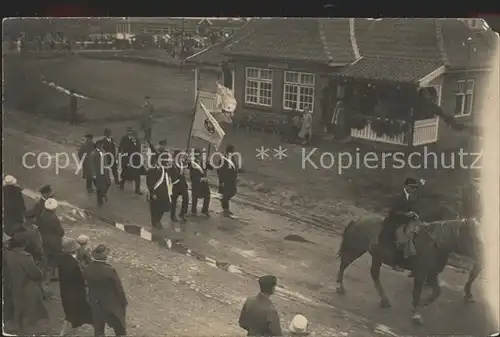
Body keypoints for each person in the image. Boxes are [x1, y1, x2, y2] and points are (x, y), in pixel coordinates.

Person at [6, 233, 49, 334]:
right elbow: (35, 273)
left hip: (14, 284)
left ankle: (18, 328)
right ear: (24, 244)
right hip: (27, 285)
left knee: (18, 308)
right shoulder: (25, 256)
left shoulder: (9, 254)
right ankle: (29, 331)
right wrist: (41, 270)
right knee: (31, 310)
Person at [83, 244, 128, 337]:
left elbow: (86, 284)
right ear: (105, 257)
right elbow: (118, 287)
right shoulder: (109, 270)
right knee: (118, 325)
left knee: (98, 326)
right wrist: (123, 301)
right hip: (109, 302)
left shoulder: (87, 269)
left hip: (94, 300)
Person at [381, 177, 421, 271]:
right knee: (403, 239)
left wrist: (415, 214)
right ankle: (396, 263)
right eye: (412, 187)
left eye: (415, 188)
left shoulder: (412, 197)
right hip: (395, 222)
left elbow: (415, 209)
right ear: (406, 186)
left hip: (407, 222)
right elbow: (392, 211)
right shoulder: (398, 196)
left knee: (418, 235)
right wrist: (406, 215)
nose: (413, 189)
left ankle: (412, 261)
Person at [58, 237, 93, 336]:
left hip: (65, 290)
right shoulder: (73, 263)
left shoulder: (61, 259)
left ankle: (66, 333)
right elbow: (81, 278)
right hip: (76, 291)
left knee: (70, 313)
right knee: (77, 312)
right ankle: (70, 333)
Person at [37, 198, 65, 282]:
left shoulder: (41, 215)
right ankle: (50, 278)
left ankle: (44, 277)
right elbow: (60, 231)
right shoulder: (54, 218)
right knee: (54, 260)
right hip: (54, 243)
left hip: (43, 241)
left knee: (45, 260)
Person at [146, 149, 174, 229]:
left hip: (165, 194)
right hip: (156, 193)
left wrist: (170, 192)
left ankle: (158, 220)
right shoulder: (153, 169)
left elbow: (169, 181)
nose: (169, 161)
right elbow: (150, 183)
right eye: (167, 159)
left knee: (163, 208)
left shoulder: (167, 170)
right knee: (155, 208)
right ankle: (155, 222)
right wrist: (152, 193)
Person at [119, 127, 143, 195]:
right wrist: (126, 161)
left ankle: (137, 189)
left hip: (137, 161)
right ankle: (122, 183)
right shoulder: (127, 141)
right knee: (126, 174)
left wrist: (141, 160)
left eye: (136, 135)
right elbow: (122, 149)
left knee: (137, 175)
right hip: (129, 160)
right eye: (134, 135)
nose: (135, 137)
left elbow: (139, 151)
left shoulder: (138, 141)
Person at [189, 148, 212, 217]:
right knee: (195, 197)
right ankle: (193, 211)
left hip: (204, 182)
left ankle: (205, 210)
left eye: (200, 154)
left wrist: (208, 162)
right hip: (197, 182)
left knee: (207, 195)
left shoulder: (203, 162)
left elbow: (211, 168)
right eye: (198, 154)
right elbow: (192, 175)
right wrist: (200, 179)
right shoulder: (193, 164)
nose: (200, 156)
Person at [218, 145, 239, 218]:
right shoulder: (223, 159)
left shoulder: (232, 158)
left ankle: (224, 203)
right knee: (227, 194)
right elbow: (220, 171)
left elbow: (233, 168)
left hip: (231, 180)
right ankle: (226, 209)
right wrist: (222, 181)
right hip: (225, 180)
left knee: (233, 191)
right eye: (232, 151)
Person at [91, 141, 112, 207]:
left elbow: (106, 161)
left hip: (105, 171)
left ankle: (102, 194)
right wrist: (94, 174)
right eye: (100, 145)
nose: (101, 146)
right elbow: (92, 165)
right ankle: (100, 200)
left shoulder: (104, 152)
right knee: (99, 187)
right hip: (98, 172)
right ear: (97, 145)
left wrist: (108, 168)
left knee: (108, 183)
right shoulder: (93, 153)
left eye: (102, 145)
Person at [170, 150, 189, 222]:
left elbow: (187, 166)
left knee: (186, 198)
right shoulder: (172, 164)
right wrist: (175, 181)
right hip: (175, 185)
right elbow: (171, 175)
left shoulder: (182, 163)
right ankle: (172, 216)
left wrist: (187, 159)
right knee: (174, 201)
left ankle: (182, 213)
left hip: (182, 184)